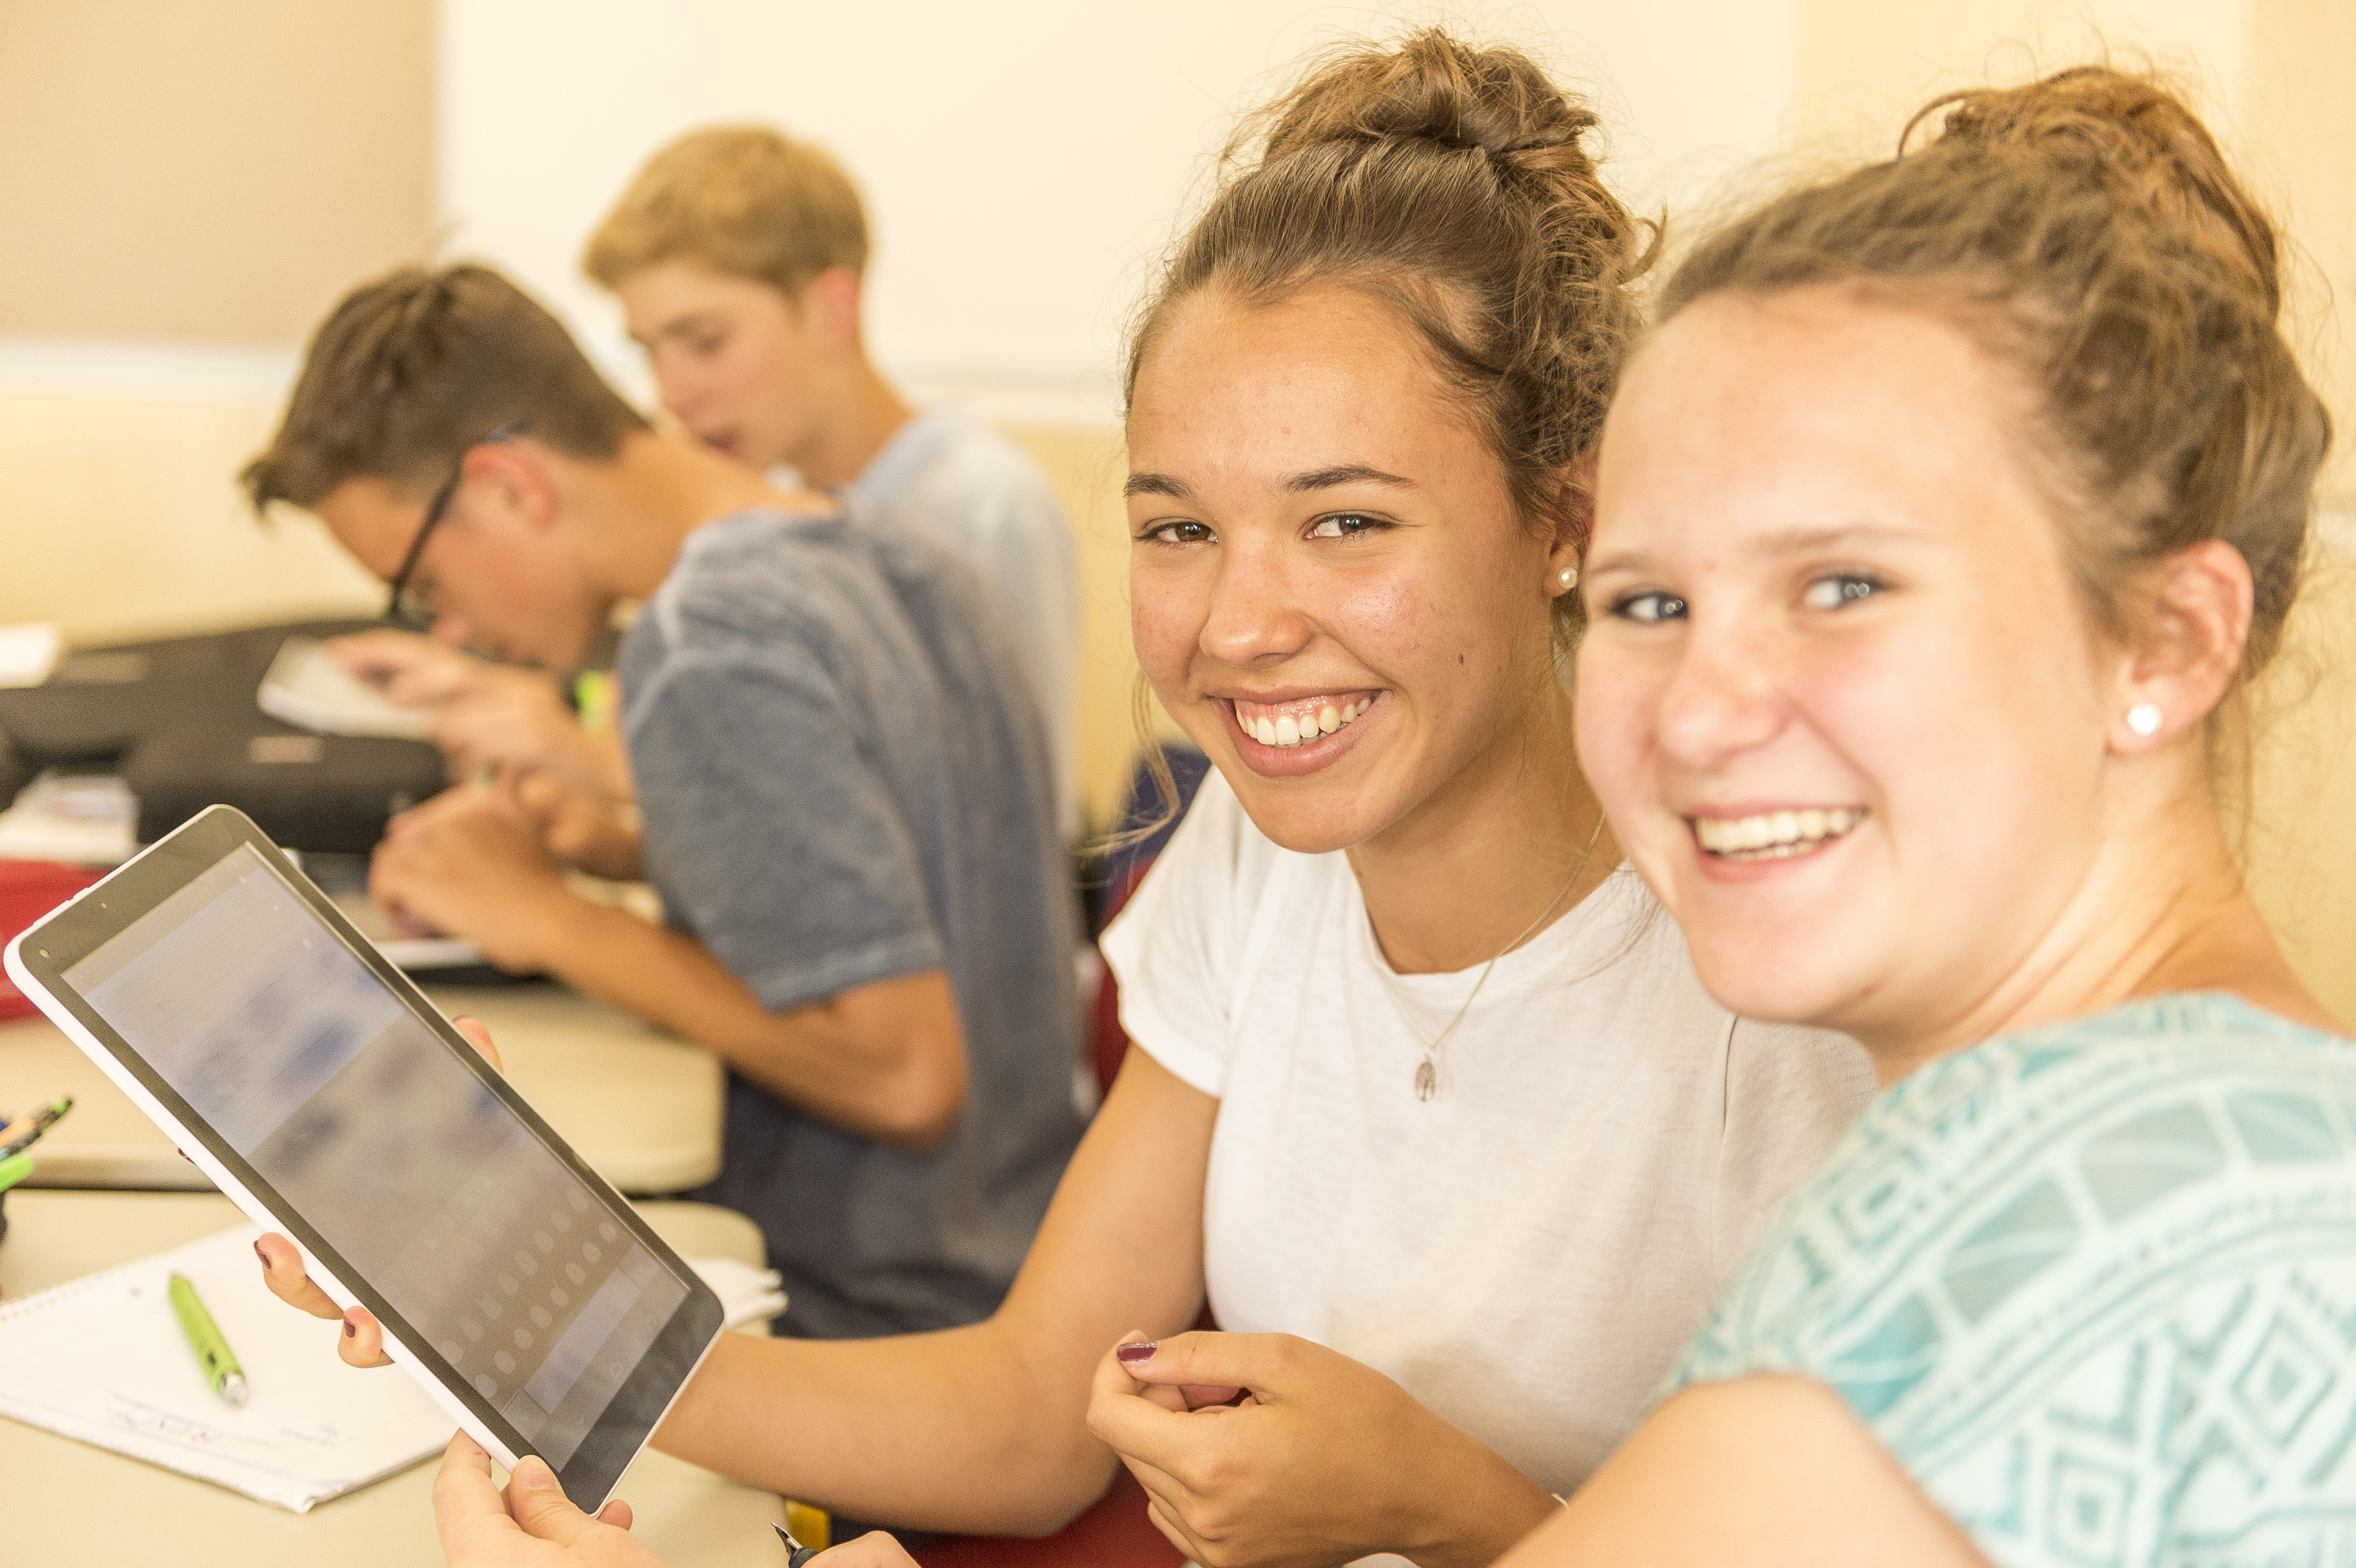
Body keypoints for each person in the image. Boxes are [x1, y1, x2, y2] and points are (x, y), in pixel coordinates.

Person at [266, 33, 1873, 1568]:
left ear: (1565, 522)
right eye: (1177, 531)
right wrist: (513, 1296)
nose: (1235, 625)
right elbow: (1033, 1416)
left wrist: (1447, 1506)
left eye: (1343, 524)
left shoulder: (1779, 994)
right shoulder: (1261, 856)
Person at [1121, 64, 2356, 1568]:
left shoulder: (2077, 1231)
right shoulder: (2121, 1147)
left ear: (2162, 642)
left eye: (1842, 586)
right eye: (1652, 601)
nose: (1698, 711)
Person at [242, 263, 1087, 1339]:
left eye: (426, 590)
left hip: (873, 1300)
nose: (444, 631)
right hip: (1025, 1238)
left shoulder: (708, 647)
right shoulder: (888, 540)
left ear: (510, 483)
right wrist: (643, 849)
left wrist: (545, 916)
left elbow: (905, 1076)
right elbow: (912, 861)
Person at [339, 124, 1082, 836]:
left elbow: (999, 820)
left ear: (832, 310)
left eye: (705, 342)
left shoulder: (982, 505)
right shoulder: (769, 501)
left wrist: (602, 764)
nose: (672, 393)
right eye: (650, 352)